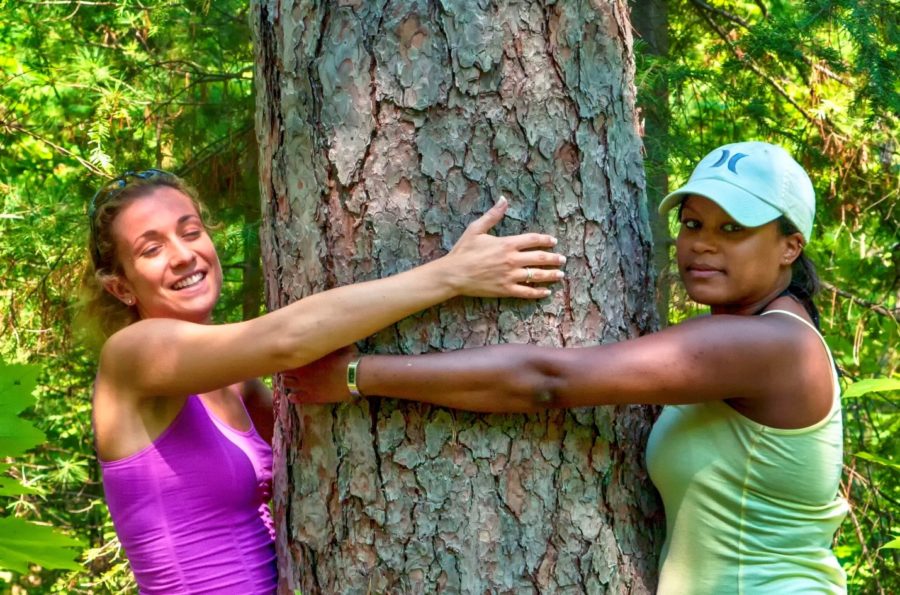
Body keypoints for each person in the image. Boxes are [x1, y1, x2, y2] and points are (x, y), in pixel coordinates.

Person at [289, 141, 849, 594]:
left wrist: (358, 375)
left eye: (733, 229)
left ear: (789, 246)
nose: (701, 245)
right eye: (694, 224)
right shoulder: (759, 337)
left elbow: (546, 381)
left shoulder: (770, 346)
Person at [81, 168, 565, 595]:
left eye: (191, 232)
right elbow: (288, 339)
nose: (184, 255)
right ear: (120, 286)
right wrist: (451, 275)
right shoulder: (131, 356)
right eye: (152, 248)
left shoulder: (237, 382)